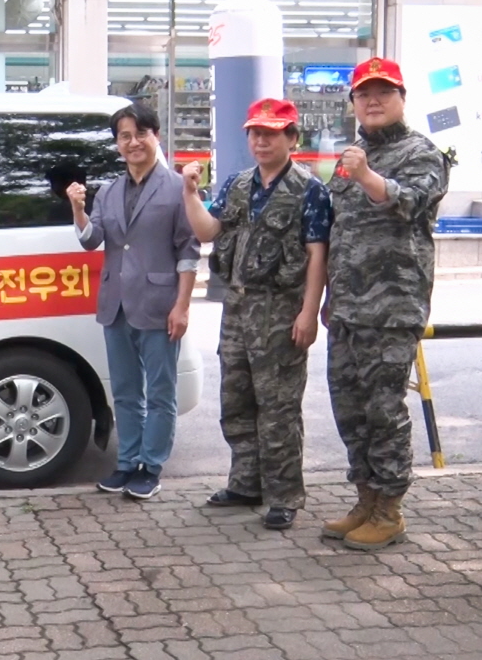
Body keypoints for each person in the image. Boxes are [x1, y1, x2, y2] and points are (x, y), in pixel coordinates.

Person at [181, 99, 331, 531]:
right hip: (237, 307)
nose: (261, 141)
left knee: (279, 407)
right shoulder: (238, 183)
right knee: (236, 399)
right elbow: (208, 230)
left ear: (292, 138)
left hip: (280, 310)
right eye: (255, 133)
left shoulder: (309, 190)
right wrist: (189, 192)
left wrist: (309, 312)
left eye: (271, 133)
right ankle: (246, 482)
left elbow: (317, 254)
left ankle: (284, 496)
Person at [321, 58, 448, 550]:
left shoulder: (422, 153)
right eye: (363, 94)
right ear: (353, 102)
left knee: (383, 410)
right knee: (349, 409)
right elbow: (335, 230)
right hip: (346, 308)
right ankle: (365, 498)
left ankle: (390, 510)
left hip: (392, 309)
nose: (372, 101)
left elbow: (408, 202)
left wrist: (367, 175)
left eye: (383, 92)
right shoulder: (352, 157)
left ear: (402, 98)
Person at [69, 106, 200, 500]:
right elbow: (92, 240)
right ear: (117, 145)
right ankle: (126, 462)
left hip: (160, 305)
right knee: (125, 392)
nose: (133, 142)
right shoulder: (109, 192)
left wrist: (182, 306)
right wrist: (78, 209)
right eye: (125, 136)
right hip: (116, 305)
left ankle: (151, 466)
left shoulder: (177, 188)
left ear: (155, 136)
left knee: (160, 392)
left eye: (141, 133)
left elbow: (188, 250)